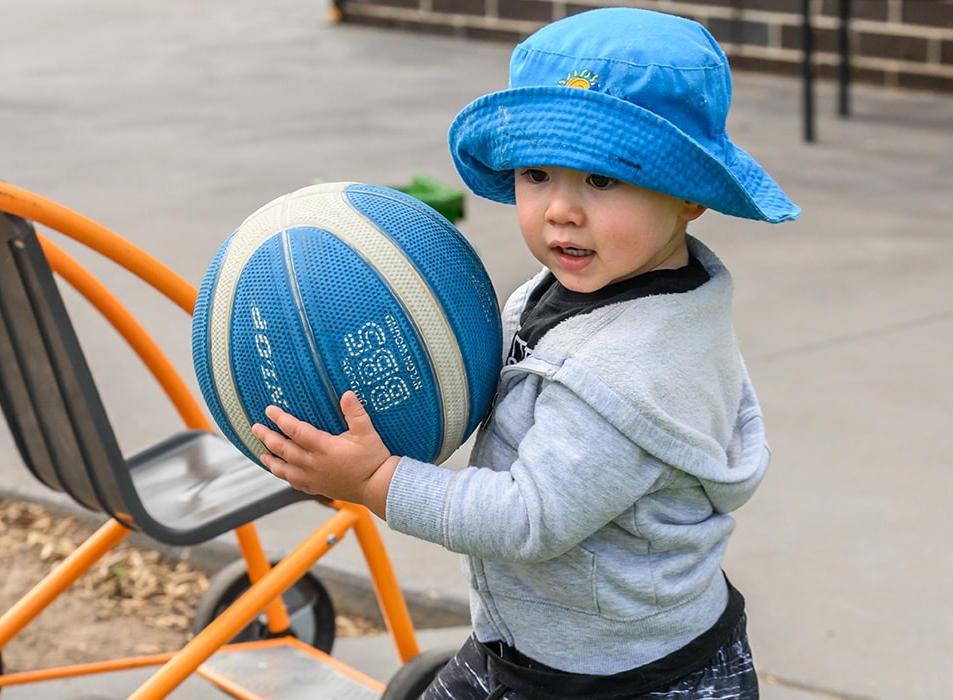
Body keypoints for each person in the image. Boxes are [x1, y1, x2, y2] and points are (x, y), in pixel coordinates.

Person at [252, 7, 799, 698]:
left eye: (601, 180)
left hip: (633, 678)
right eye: (537, 173)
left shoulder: (634, 371)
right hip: (529, 642)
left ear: (690, 196)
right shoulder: (560, 289)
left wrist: (377, 482)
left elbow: (527, 518)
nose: (559, 210)